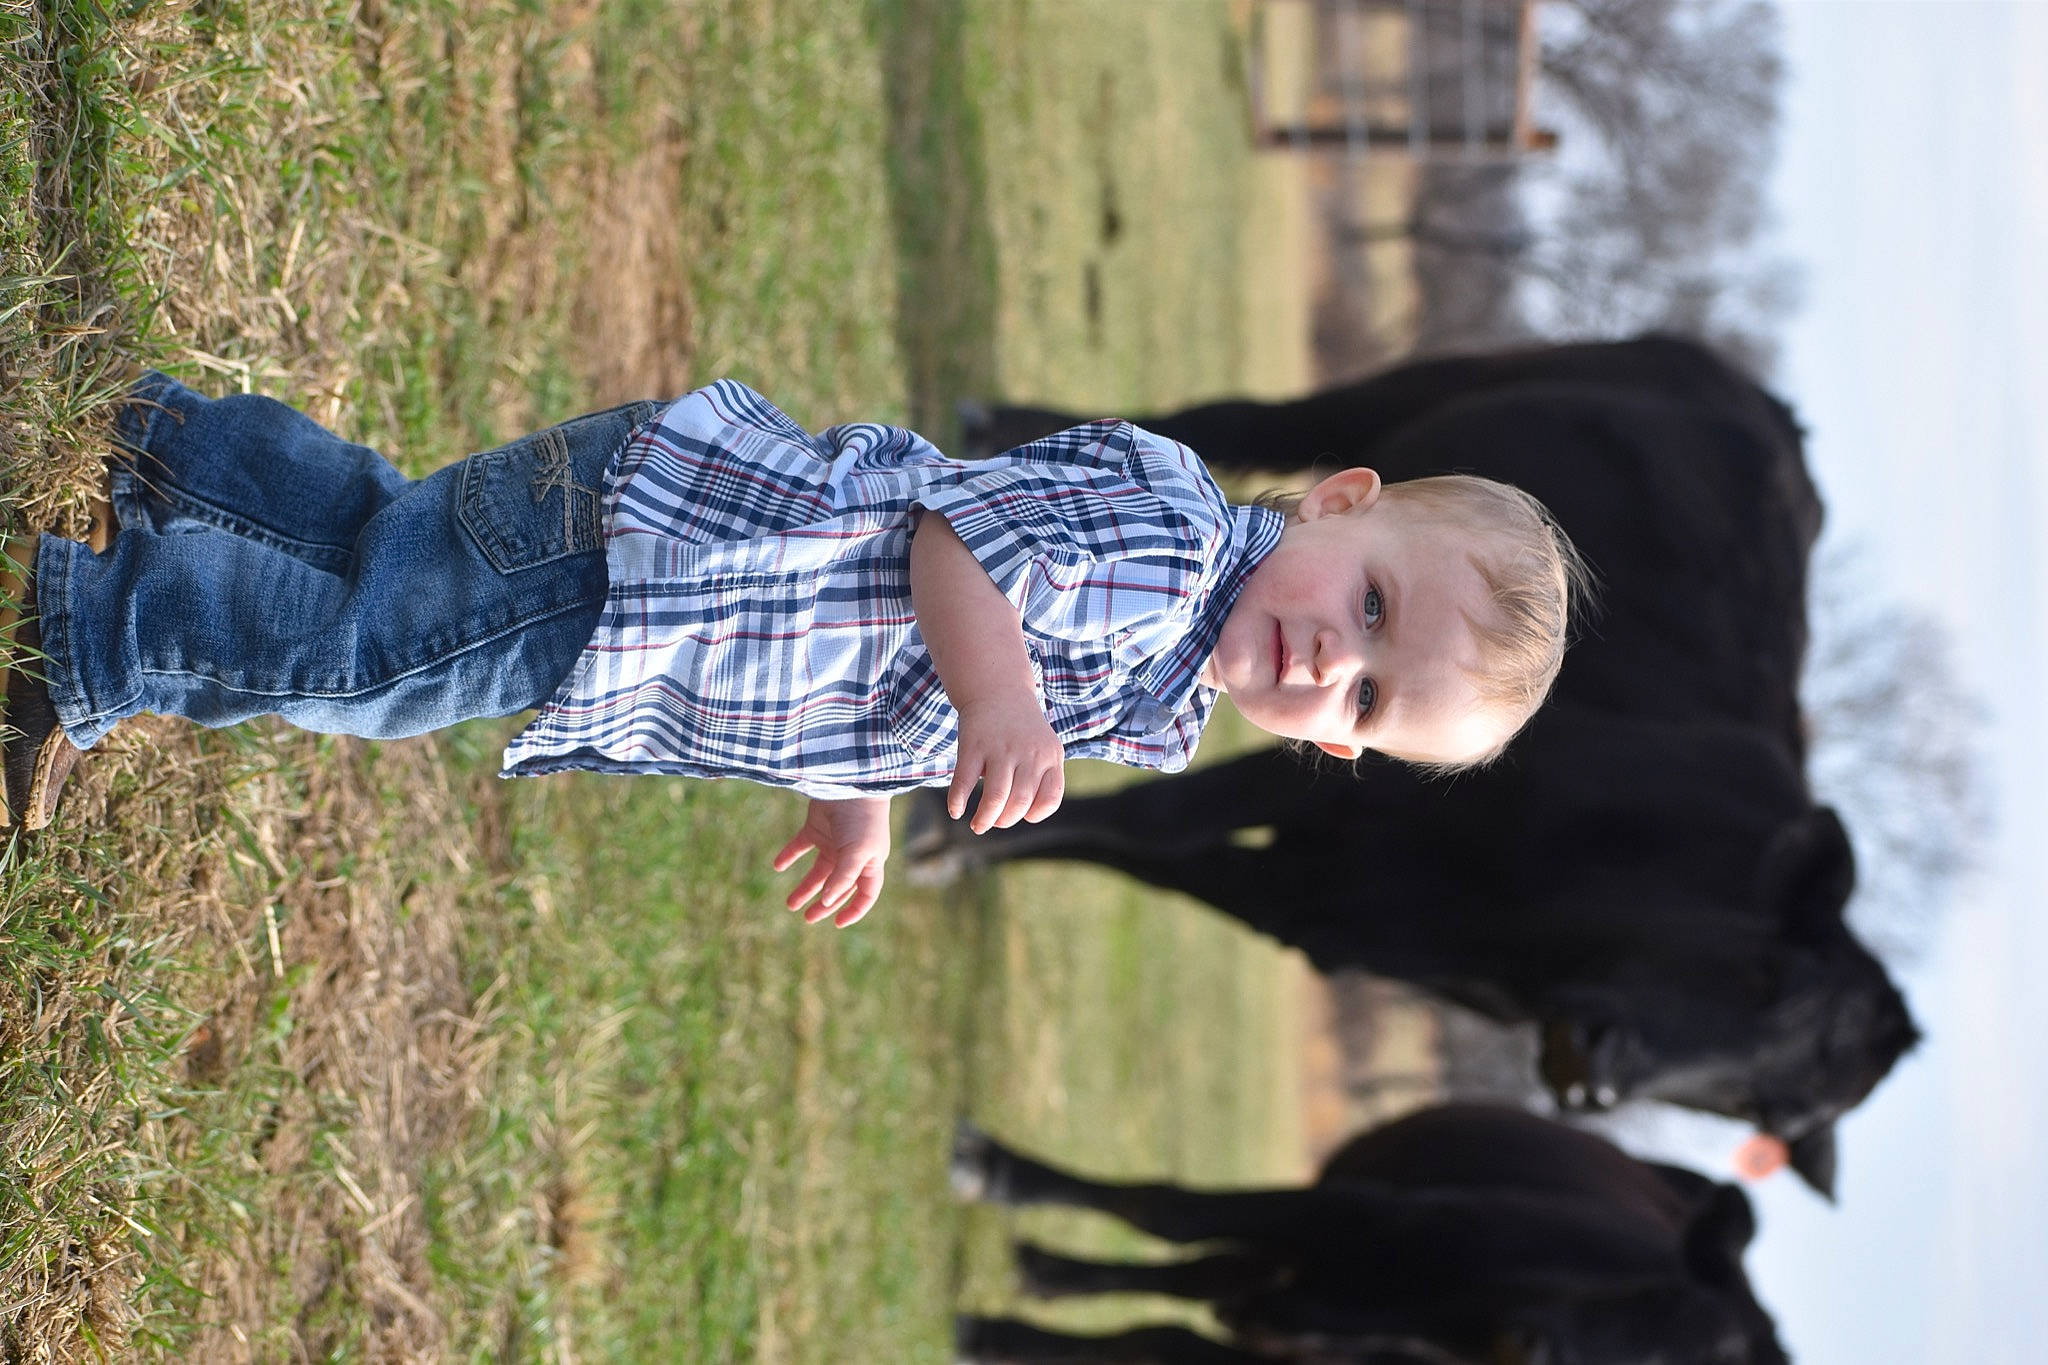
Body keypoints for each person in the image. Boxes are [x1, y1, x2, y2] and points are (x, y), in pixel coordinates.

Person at [3, 373, 1586, 925]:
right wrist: (1003, 701)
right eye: (1370, 601)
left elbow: (906, 678)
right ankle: (85, 632)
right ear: (1339, 501)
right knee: (375, 659)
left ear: (1340, 750)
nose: (1330, 659)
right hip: (650, 557)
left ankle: (175, 448)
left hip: (663, 596)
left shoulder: (1167, 697)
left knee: (391, 553)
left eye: (1368, 699)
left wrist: (860, 792)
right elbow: (952, 542)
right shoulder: (1171, 537)